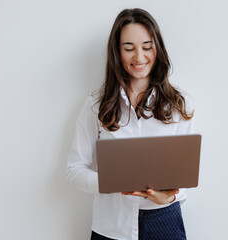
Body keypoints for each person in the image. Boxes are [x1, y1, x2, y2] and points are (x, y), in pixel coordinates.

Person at [67, 8, 194, 240]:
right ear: (117, 52)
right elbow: (74, 170)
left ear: (158, 49)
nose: (139, 57)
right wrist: (114, 181)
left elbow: (185, 176)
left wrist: (169, 196)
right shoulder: (95, 105)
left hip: (164, 221)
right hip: (111, 226)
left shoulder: (179, 104)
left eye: (147, 47)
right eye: (128, 48)